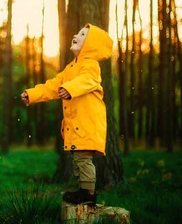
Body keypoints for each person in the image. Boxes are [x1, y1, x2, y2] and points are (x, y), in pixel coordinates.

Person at [21, 23, 113, 207]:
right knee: (78, 157)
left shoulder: (91, 66)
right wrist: (32, 94)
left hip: (88, 123)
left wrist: (70, 89)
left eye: (82, 34)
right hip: (76, 123)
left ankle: (88, 193)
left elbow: (86, 81)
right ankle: (83, 190)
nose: (75, 34)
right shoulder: (70, 68)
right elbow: (53, 86)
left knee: (83, 158)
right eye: (78, 31)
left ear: (91, 45)